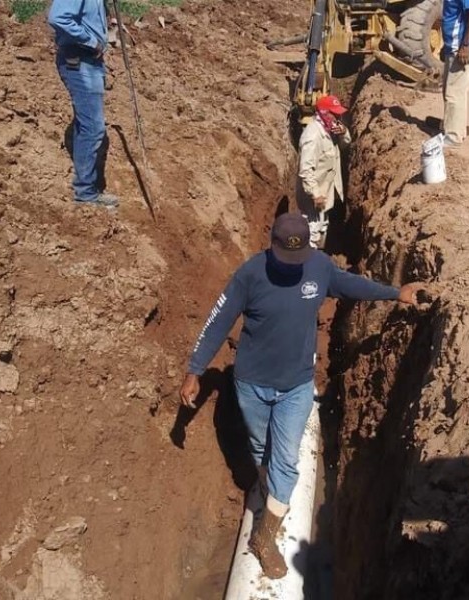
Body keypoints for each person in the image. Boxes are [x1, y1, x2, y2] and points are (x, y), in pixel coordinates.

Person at [179, 213, 428, 579]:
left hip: (296, 386)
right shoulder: (250, 274)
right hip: (251, 383)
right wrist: (195, 371)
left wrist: (396, 293)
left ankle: (264, 538)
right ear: (272, 244)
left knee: (287, 459)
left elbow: (351, 285)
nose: (294, 266)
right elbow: (219, 320)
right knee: (260, 447)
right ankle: (268, 492)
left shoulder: (318, 266)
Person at [48, 0, 119, 208]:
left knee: (87, 123)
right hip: (79, 61)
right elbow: (57, 17)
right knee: (93, 128)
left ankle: (87, 190)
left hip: (90, 61)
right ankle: (85, 194)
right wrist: (91, 40)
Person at [296, 95, 351, 249]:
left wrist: (344, 132)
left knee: (323, 225)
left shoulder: (330, 128)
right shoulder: (313, 136)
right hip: (314, 195)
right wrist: (315, 194)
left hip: (325, 191)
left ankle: (319, 259)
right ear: (324, 113)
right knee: (312, 231)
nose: (338, 116)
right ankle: (307, 266)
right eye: (335, 113)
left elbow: (345, 146)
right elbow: (306, 170)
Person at [441, 0, 469, 149]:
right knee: (448, 90)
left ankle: (454, 137)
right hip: (452, 47)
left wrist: (465, 45)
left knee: (454, 93)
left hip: (461, 48)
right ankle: (451, 128)